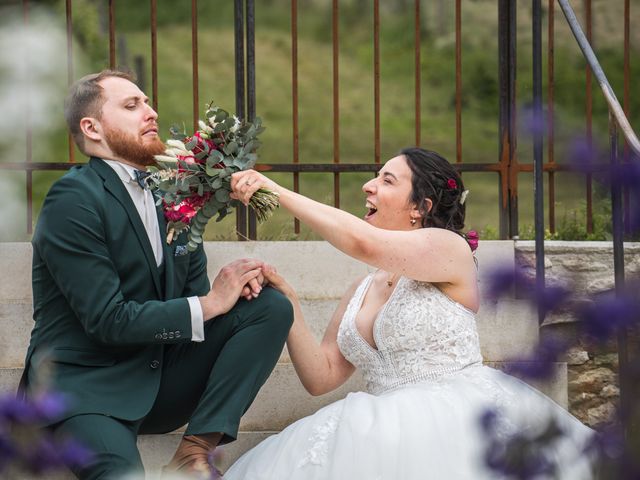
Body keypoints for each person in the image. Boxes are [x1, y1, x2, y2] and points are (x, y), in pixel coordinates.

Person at [226, 147, 595, 479]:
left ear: (421, 207)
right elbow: (321, 377)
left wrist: (273, 189)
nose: (368, 187)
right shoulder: (360, 290)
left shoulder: (449, 250)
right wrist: (288, 300)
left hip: (455, 417)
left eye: (387, 180)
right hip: (376, 423)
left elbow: (361, 242)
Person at [19, 70, 293, 480]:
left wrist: (231, 291)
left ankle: (196, 449)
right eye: (132, 106)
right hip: (86, 390)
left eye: (147, 102)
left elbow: (192, 305)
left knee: (268, 306)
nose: (151, 112)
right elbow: (107, 320)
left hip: (158, 378)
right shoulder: (74, 199)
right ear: (91, 128)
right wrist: (210, 302)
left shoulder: (173, 197)